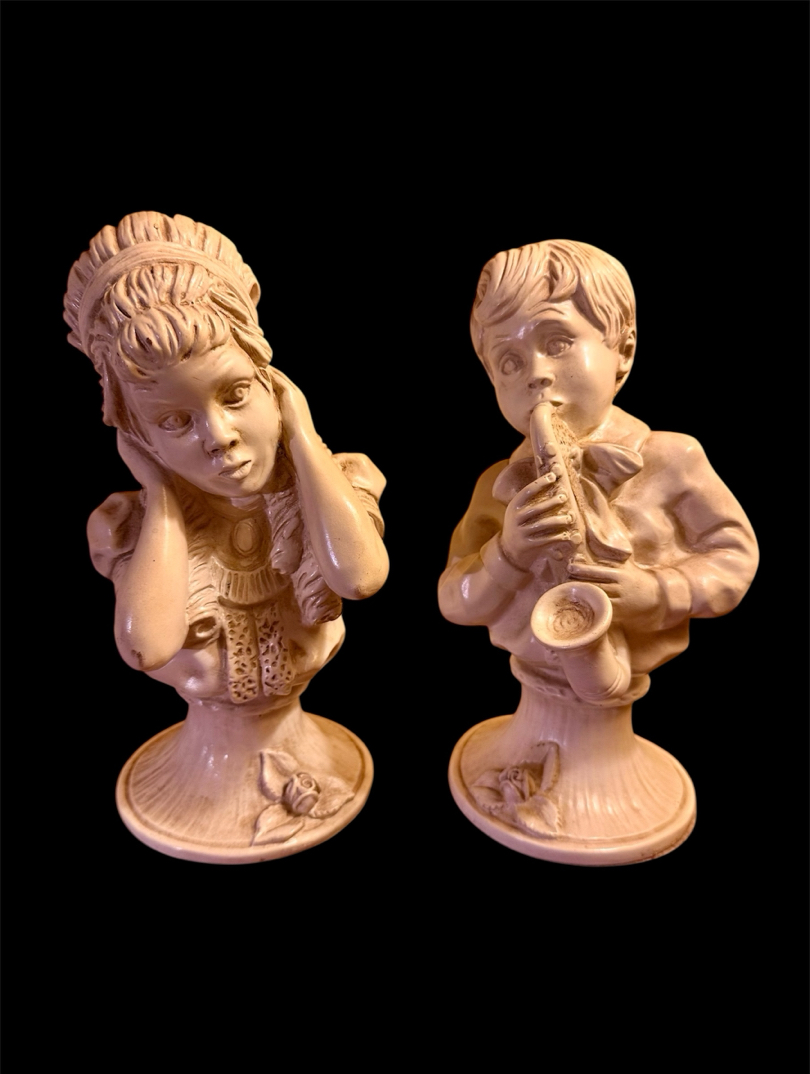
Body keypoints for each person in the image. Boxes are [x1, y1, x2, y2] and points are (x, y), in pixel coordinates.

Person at [65, 212, 388, 858]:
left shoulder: (333, 490)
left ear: (274, 384)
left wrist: (303, 437)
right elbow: (147, 645)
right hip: (195, 774)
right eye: (174, 422)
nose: (219, 437)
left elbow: (359, 578)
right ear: (138, 437)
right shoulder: (135, 530)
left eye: (237, 393)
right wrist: (161, 497)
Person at [439, 238, 758, 709]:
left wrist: (657, 593)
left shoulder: (672, 458)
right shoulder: (499, 485)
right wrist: (508, 554)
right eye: (509, 361)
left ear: (623, 352)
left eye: (557, 343)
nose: (536, 373)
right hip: (534, 677)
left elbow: (733, 555)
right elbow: (453, 599)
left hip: (623, 668)